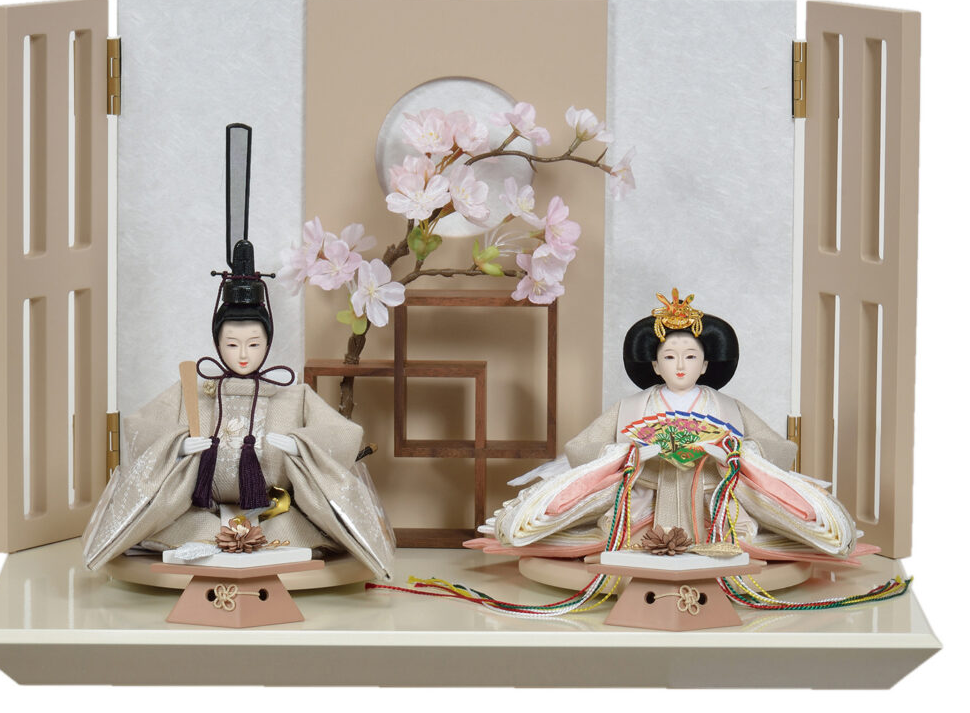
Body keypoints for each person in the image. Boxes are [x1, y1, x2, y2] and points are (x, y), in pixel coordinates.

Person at [82, 125, 394, 579]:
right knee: (187, 533)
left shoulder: (291, 395)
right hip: (199, 514)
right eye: (231, 344)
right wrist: (178, 446)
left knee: (290, 537)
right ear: (217, 343)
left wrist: (300, 446)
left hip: (275, 513)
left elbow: (343, 435)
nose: (243, 354)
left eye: (253, 344)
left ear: (268, 342)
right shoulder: (195, 390)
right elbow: (139, 429)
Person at [467, 289, 871, 565]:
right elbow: (581, 448)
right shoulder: (631, 407)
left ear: (706, 364)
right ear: (655, 364)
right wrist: (632, 453)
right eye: (670, 356)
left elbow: (780, 449)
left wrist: (732, 452)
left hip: (713, 499)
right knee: (609, 534)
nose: (680, 365)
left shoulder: (728, 407)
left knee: (747, 535)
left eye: (690, 356)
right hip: (647, 496)